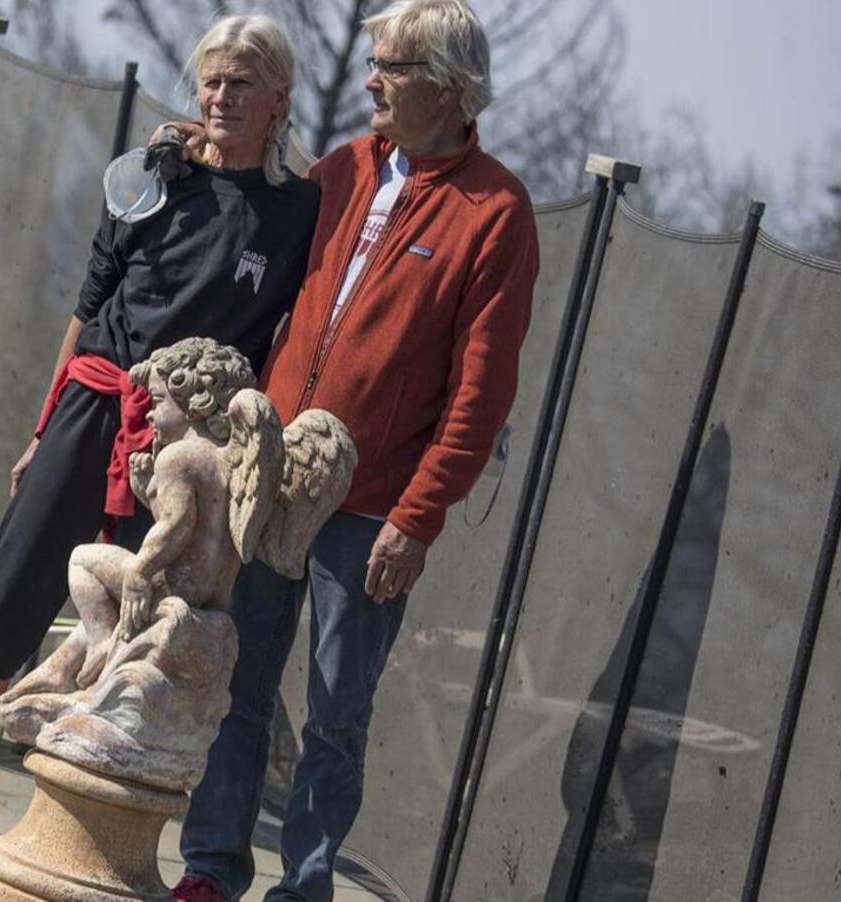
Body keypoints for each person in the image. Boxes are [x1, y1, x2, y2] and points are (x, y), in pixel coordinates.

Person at [0, 15, 322, 860]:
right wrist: (43, 430)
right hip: (90, 409)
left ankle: (81, 841)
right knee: (10, 595)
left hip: (185, 452)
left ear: (278, 99)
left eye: (241, 83)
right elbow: (90, 296)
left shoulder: (299, 213)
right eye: (211, 80)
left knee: (138, 632)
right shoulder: (151, 175)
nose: (220, 96)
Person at [168, 2, 541, 900]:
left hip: (373, 509)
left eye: (393, 66)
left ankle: (304, 886)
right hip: (273, 478)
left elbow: (480, 393)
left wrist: (416, 518)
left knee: (337, 715)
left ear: (449, 87)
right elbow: (256, 217)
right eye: (373, 62)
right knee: (237, 681)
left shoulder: (497, 212)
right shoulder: (342, 168)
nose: (372, 80)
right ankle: (211, 871)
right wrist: (201, 151)